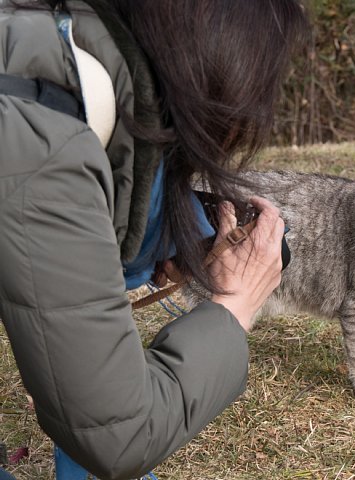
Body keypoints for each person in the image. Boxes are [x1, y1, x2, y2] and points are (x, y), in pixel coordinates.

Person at [0, 0, 309, 479]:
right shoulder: (46, 146)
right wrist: (234, 305)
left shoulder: (41, 53)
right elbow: (121, 435)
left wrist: (176, 235)